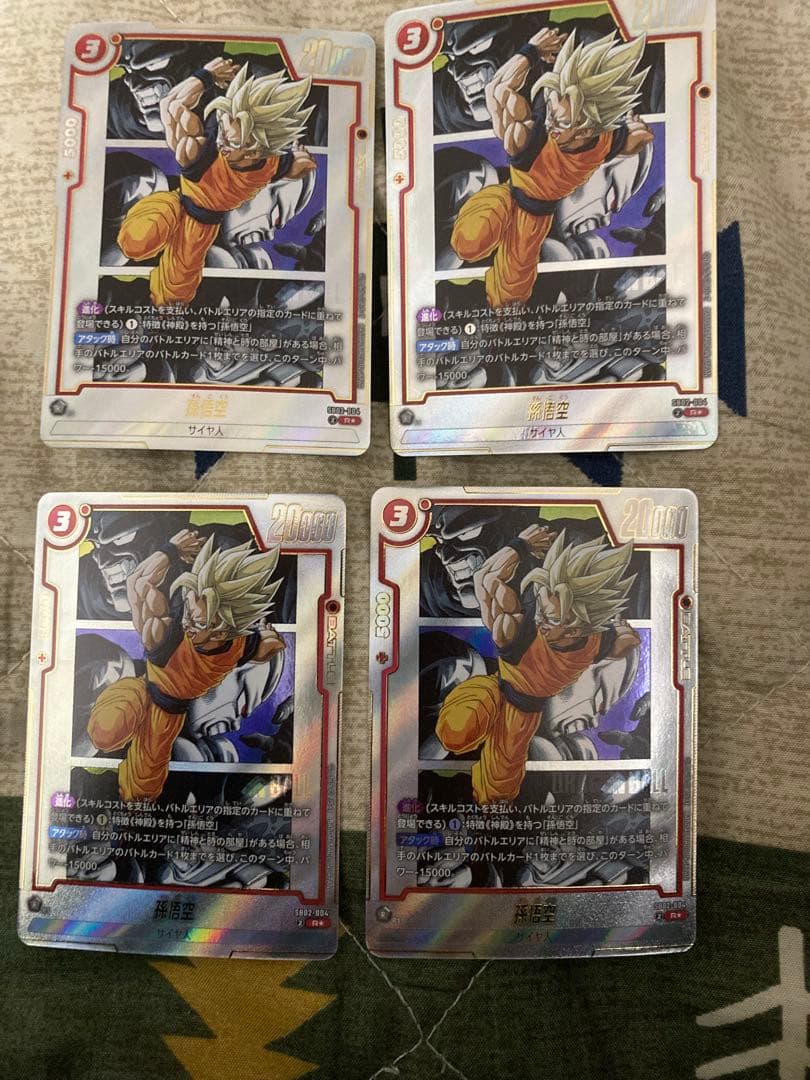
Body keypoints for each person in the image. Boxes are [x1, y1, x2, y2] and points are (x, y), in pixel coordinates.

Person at [451, 28, 652, 307]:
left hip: (534, 221)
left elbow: (634, 141)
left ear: (587, 129)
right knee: (467, 243)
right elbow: (495, 91)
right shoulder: (531, 138)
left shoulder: (606, 139)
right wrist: (530, 52)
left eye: (562, 123)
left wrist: (640, 132)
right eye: (551, 111)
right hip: (506, 198)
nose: (551, 125)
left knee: (509, 299)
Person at [117, 58, 316, 306]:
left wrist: (304, 162)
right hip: (174, 205)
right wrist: (205, 76)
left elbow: (297, 167)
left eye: (232, 142)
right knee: (135, 242)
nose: (221, 143)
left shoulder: (272, 162)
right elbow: (170, 106)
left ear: (256, 151)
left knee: (173, 296)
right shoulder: (201, 153)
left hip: (201, 229)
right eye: (223, 130)